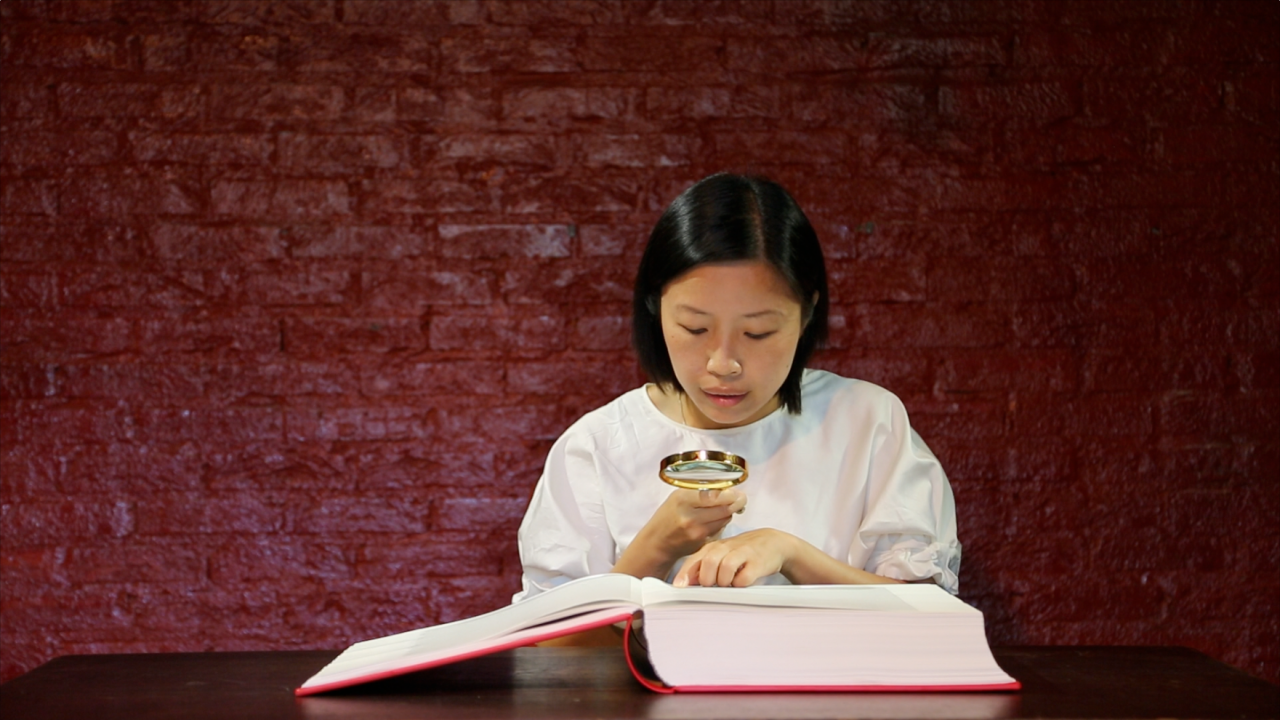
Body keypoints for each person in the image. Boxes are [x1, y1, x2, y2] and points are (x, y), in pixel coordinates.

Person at [514, 173, 959, 614]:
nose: (722, 364)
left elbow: (929, 614)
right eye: (695, 328)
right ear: (655, 308)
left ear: (807, 314)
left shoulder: (867, 422)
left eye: (758, 332)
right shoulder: (596, 446)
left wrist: (790, 554)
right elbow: (547, 647)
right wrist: (654, 548)